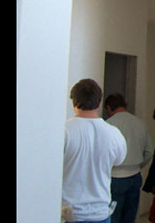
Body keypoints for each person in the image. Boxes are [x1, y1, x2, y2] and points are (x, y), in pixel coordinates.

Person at [62, 79, 127, 223]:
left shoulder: (63, 131)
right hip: (100, 212)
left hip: (70, 213)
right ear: (99, 103)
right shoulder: (114, 134)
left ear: (73, 103)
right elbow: (118, 161)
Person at [104, 93, 154, 223]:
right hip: (135, 176)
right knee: (129, 217)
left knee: (113, 216)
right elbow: (149, 152)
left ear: (109, 108)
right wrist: (137, 166)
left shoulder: (108, 125)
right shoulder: (139, 123)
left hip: (115, 177)